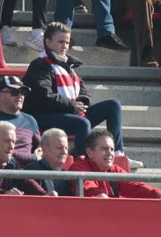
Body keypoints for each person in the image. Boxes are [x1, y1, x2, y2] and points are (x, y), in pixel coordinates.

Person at [24, 21, 125, 150]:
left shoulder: (68, 66)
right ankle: (81, 162)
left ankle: (117, 153)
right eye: (60, 42)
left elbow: (83, 93)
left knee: (113, 105)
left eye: (67, 43)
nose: (65, 46)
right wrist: (72, 106)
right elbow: (44, 96)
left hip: (69, 112)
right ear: (48, 42)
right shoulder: (39, 65)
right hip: (44, 116)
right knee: (82, 123)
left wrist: (80, 105)